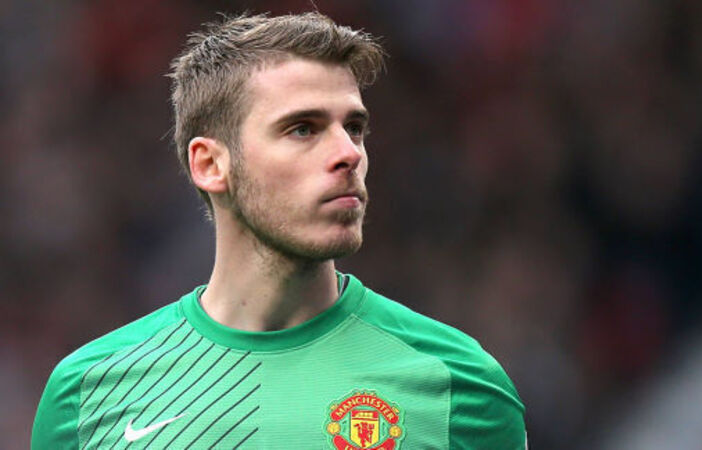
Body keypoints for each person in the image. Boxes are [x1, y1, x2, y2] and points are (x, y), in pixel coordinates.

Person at [32, 12, 526, 449]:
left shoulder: (460, 386)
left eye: (354, 128)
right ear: (210, 165)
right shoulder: (89, 394)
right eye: (303, 128)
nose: (348, 153)